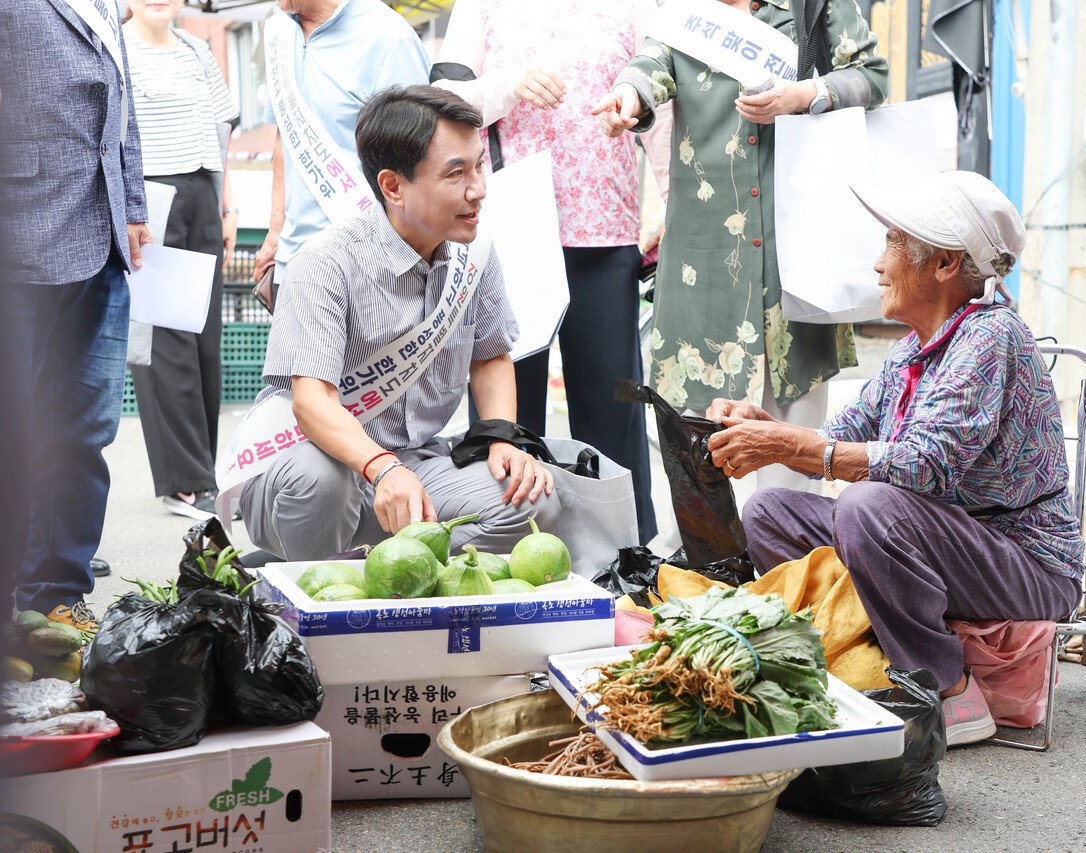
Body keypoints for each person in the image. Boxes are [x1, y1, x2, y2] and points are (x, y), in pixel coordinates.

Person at [705, 171, 1085, 746]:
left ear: (946, 264)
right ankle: (863, 658)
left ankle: (949, 690)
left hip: (1025, 564)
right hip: (940, 548)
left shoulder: (991, 336)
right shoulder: (912, 349)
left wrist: (796, 447)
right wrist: (769, 428)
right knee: (768, 512)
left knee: (868, 508)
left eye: (892, 245)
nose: (878, 264)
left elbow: (925, 465)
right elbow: (844, 434)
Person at [237, 85, 560, 561]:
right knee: (323, 483)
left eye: (478, 166)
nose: (478, 189)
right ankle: (309, 578)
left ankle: (384, 566)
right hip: (310, 463)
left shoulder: (476, 253)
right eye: (455, 173)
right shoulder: (325, 263)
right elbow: (311, 404)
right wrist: (382, 468)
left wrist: (499, 436)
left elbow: (490, 355)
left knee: (533, 500)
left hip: (415, 463)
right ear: (393, 187)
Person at [593, 0, 887, 494]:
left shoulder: (813, 6)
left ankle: (787, 564)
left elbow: (872, 77)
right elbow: (650, 67)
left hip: (794, 256)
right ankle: (709, 566)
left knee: (791, 466)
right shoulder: (687, 13)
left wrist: (805, 94)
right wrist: (629, 95)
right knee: (699, 456)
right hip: (702, 261)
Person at [431, 0, 671, 545]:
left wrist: (671, 204)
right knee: (509, 417)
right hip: (511, 236)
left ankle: (628, 555)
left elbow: (663, 101)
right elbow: (441, 102)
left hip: (605, 232)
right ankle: (508, 544)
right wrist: (508, 85)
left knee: (613, 413)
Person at [0, 0, 152, 627]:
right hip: (6, 237)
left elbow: (123, 107)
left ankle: (56, 590)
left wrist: (132, 204)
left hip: (99, 237)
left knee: (83, 432)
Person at [123, 0, 240, 519]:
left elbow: (221, 133)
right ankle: (186, 481)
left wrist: (227, 203)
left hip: (202, 193)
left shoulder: (198, 49)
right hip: (149, 199)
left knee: (203, 338)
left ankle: (203, 472)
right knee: (165, 340)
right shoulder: (117, 48)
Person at [251, 0, 430, 291]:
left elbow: (417, 163)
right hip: (292, 261)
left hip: (364, 267)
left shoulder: (390, 38)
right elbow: (283, 137)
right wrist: (275, 232)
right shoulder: (279, 31)